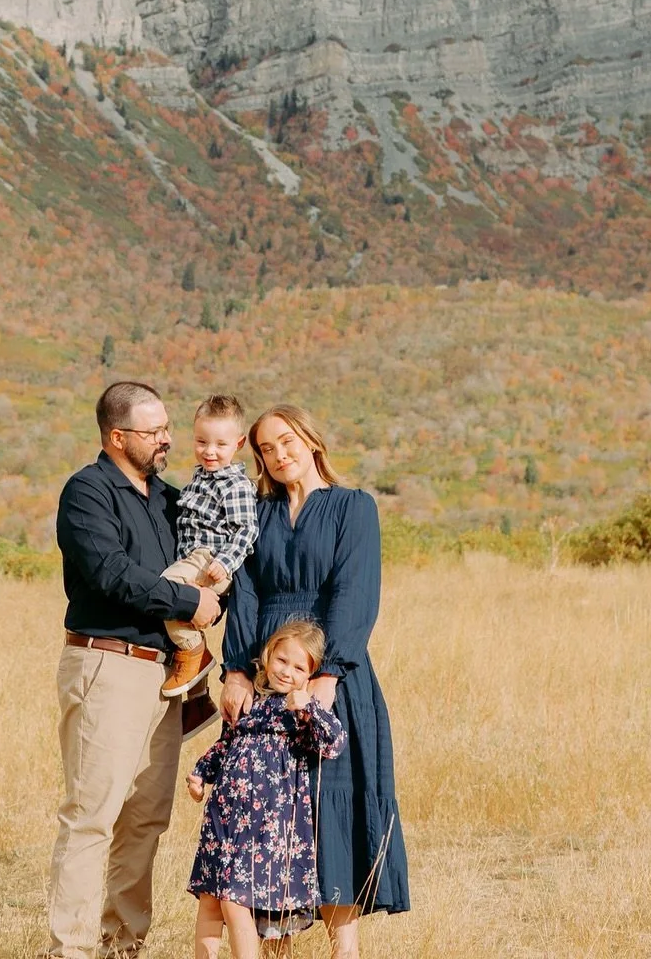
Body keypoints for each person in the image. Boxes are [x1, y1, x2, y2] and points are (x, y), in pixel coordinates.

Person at [221, 405, 410, 957]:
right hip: (266, 674)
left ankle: (343, 948)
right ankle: (275, 947)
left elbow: (354, 593)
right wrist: (237, 672)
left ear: (310, 439)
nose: (279, 456)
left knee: (330, 804)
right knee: (269, 813)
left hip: (334, 676)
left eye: (287, 442)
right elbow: (247, 594)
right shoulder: (258, 513)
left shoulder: (354, 507)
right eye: (266, 449)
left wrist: (326, 677)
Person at [48, 381, 223, 959]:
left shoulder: (168, 500)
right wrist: (186, 604)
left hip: (167, 677)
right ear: (117, 436)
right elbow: (110, 573)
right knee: (91, 816)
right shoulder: (87, 493)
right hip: (107, 663)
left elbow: (207, 555)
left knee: (146, 819)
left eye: (167, 428)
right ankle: (71, 949)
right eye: (154, 432)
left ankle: (123, 943)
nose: (168, 439)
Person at [186, 618, 346, 959]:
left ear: (310, 674)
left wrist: (310, 707)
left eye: (299, 667)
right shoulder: (248, 701)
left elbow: (334, 742)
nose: (287, 671)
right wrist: (201, 773)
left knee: (235, 900)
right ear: (268, 656)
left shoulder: (298, 712)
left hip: (266, 826)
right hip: (225, 817)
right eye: (282, 660)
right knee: (210, 899)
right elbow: (224, 745)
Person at [160, 392, 258, 698]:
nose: (209, 451)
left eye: (220, 444)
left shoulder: (235, 485)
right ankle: (196, 693)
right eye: (202, 442)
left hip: (212, 560)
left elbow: (246, 529)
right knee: (174, 605)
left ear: (238, 444)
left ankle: (194, 652)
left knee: (165, 590)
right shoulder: (198, 480)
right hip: (194, 558)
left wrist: (225, 562)